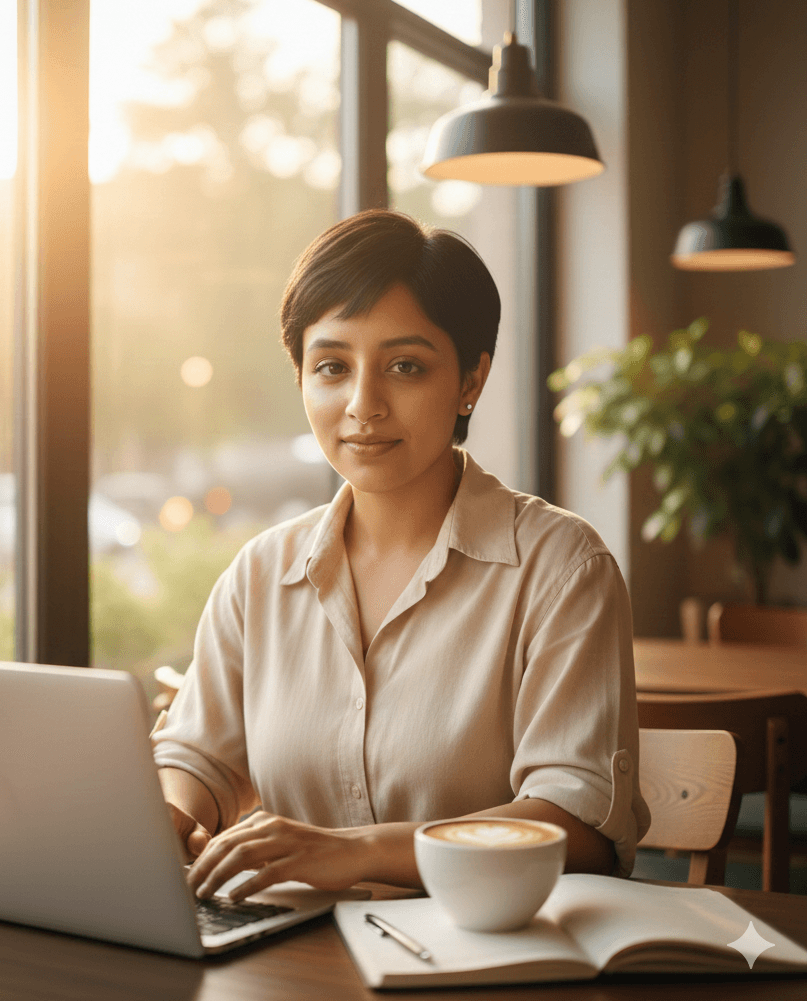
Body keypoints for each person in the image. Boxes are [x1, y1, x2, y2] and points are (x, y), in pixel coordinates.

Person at [152, 209, 650, 903]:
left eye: (405, 366)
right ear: (301, 378)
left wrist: (352, 853)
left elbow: (578, 826)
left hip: (483, 960)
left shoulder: (563, 568)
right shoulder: (260, 574)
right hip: (292, 956)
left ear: (470, 382)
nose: (363, 404)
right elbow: (195, 754)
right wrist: (172, 816)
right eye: (332, 366)